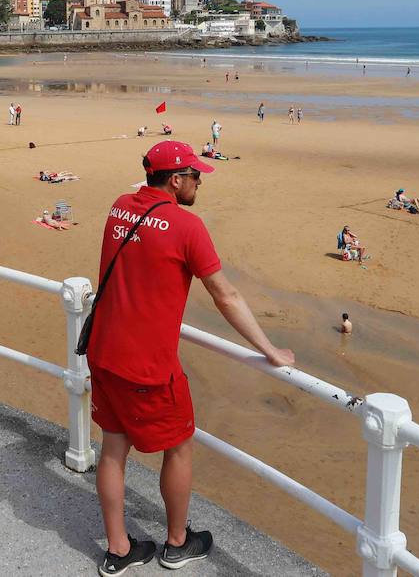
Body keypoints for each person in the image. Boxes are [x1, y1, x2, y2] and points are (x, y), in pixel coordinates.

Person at [88, 141, 295, 574]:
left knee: (112, 449)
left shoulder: (119, 207)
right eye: (196, 176)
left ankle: (118, 549)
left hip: (104, 352)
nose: (200, 182)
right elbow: (226, 295)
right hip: (147, 364)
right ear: (176, 181)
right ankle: (178, 544)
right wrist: (270, 350)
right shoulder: (187, 226)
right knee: (179, 447)